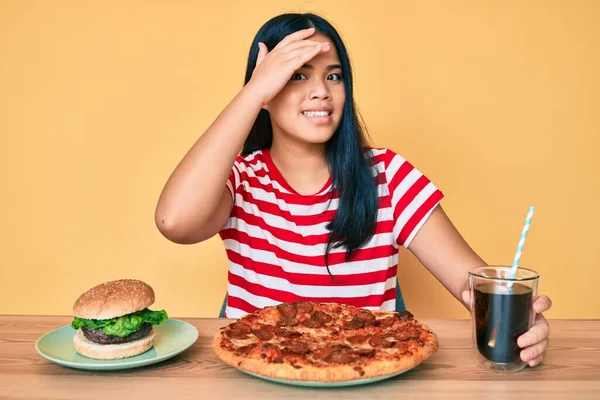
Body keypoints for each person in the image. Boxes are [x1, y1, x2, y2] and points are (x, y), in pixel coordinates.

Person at [154, 12, 551, 367]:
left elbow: (472, 285)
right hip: (257, 373)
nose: (321, 91)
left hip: (369, 373)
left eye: (333, 75)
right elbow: (174, 222)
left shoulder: (388, 175)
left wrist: (521, 324)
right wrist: (253, 93)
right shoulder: (241, 180)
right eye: (296, 74)